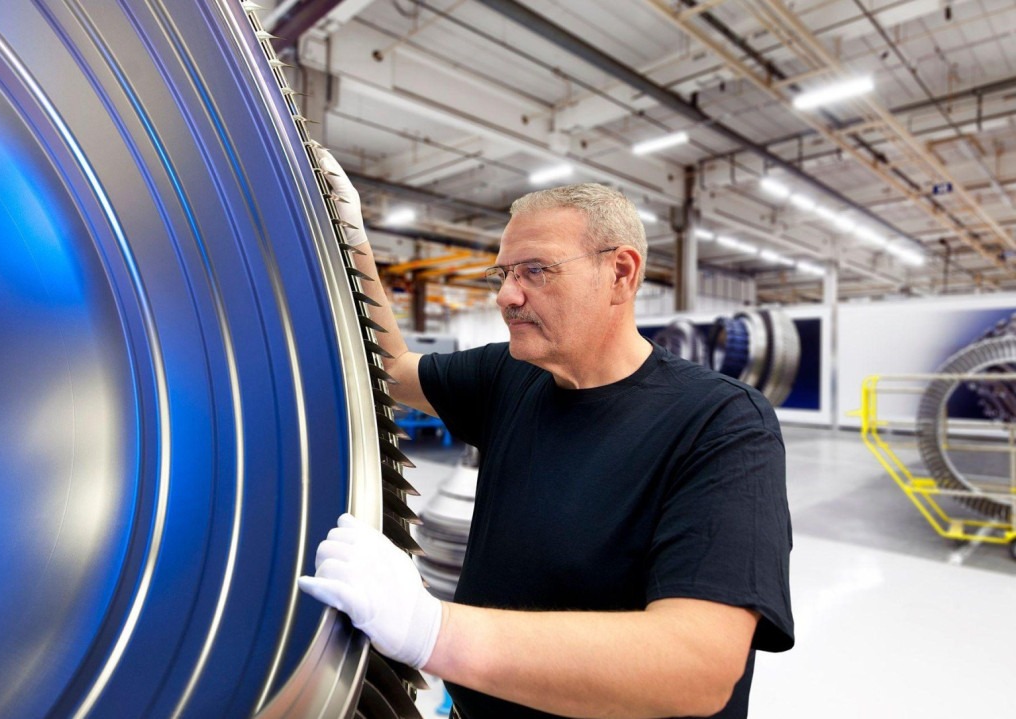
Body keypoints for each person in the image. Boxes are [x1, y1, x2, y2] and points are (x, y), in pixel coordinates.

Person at [299, 148, 794, 719]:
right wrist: (354, 242)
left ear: (621, 273)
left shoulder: (721, 422)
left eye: (536, 270)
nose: (506, 295)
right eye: (503, 274)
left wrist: (432, 631)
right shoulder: (513, 375)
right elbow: (394, 371)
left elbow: (698, 667)